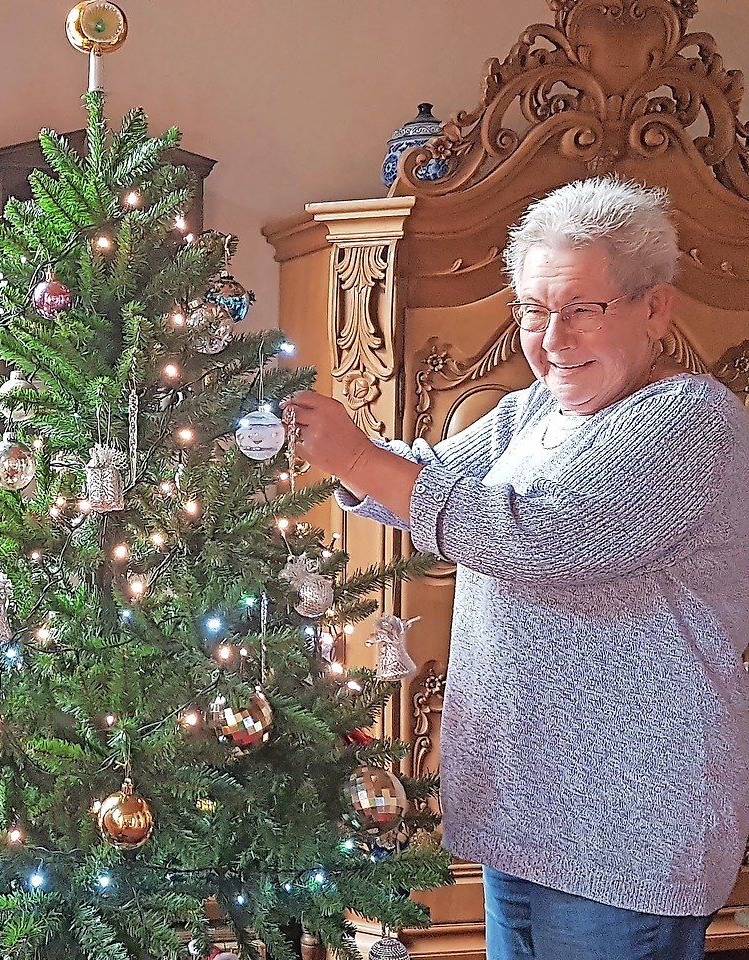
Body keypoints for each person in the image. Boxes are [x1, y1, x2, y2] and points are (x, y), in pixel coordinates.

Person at [284, 177, 749, 960]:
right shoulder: (540, 407)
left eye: (582, 309)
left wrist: (359, 456)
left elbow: (539, 538)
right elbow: (423, 479)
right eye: (533, 310)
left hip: (625, 832)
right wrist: (325, 446)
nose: (552, 337)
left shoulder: (691, 419)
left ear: (655, 309)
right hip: (522, 812)